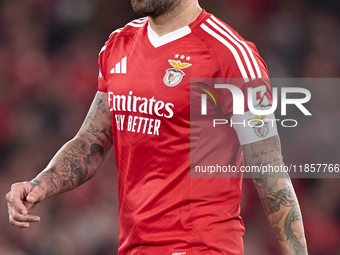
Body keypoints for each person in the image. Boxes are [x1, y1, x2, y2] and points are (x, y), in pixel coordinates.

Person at [6, 0, 308, 254]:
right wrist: (40, 184)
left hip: (200, 246)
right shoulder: (118, 45)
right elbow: (90, 142)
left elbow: (270, 172)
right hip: (134, 246)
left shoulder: (230, 56)